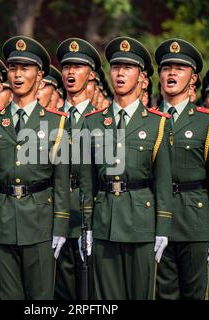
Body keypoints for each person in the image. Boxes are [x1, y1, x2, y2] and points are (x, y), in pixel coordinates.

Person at [0, 36, 70, 299]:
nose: (17, 74)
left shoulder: (56, 123)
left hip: (39, 223)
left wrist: (60, 227)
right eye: (13, 68)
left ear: (39, 75)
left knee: (40, 299)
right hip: (2, 222)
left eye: (25, 68)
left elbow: (61, 183)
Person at [83, 36, 173, 299]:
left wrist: (163, 229)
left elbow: (163, 181)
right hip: (105, 221)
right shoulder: (93, 122)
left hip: (141, 223)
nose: (120, 73)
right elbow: (88, 182)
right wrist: (87, 226)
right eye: (116, 67)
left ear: (142, 77)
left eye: (128, 68)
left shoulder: (157, 123)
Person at [155, 38, 209, 300]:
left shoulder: (208, 123)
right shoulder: (150, 120)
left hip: (195, 222)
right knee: (163, 294)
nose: (171, 73)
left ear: (193, 79)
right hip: (156, 221)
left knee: (196, 293)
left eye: (179, 68)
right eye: (166, 68)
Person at [54, 37, 101, 300]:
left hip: (90, 218)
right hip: (56, 218)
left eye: (78, 67)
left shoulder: (105, 122)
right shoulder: (49, 120)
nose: (71, 72)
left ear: (91, 74)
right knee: (60, 293)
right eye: (67, 66)